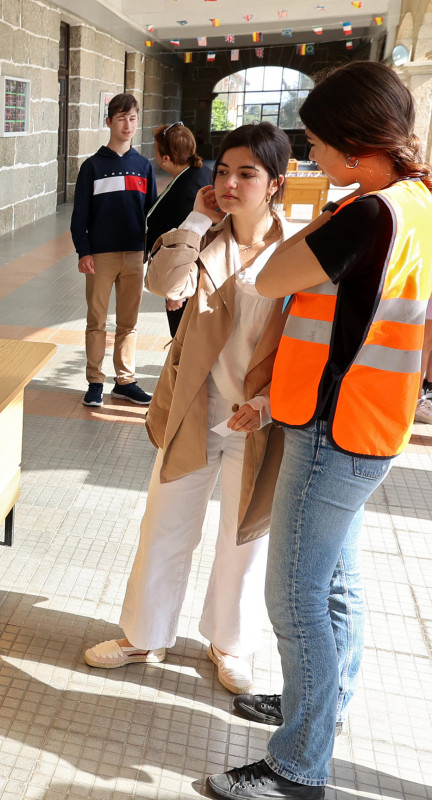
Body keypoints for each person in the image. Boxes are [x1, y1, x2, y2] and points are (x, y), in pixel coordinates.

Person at [208, 61, 432, 800]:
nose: (309, 158)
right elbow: (349, 323)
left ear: (352, 146)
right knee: (336, 581)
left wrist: (323, 214)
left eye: (316, 145)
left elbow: (269, 278)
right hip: (364, 422)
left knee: (295, 597)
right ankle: (322, 711)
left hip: (337, 434)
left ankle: (298, 765)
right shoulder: (415, 201)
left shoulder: (367, 213)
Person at [84, 123, 293, 696]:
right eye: (223, 171)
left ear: (275, 183)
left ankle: (230, 644)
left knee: (244, 540)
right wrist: (197, 221)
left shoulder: (295, 251)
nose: (229, 182)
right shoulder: (204, 236)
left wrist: (268, 404)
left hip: (254, 420)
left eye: (246, 173)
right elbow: (162, 282)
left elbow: (308, 345)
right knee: (165, 525)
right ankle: (144, 636)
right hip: (192, 410)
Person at [71, 92, 158, 408]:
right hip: (101, 256)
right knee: (96, 321)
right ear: (109, 121)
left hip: (135, 255)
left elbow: (153, 213)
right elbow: (79, 215)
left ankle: (126, 381)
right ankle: (95, 381)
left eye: (133, 118)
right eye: (121, 117)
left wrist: (152, 252)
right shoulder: (92, 167)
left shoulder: (143, 166)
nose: (128, 124)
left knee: (128, 323)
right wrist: (84, 251)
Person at [145, 121, 213, 337]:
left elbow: (190, 239)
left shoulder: (187, 190)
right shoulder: (196, 173)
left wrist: (177, 293)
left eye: (156, 149)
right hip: (180, 276)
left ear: (166, 158)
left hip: (183, 280)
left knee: (183, 338)